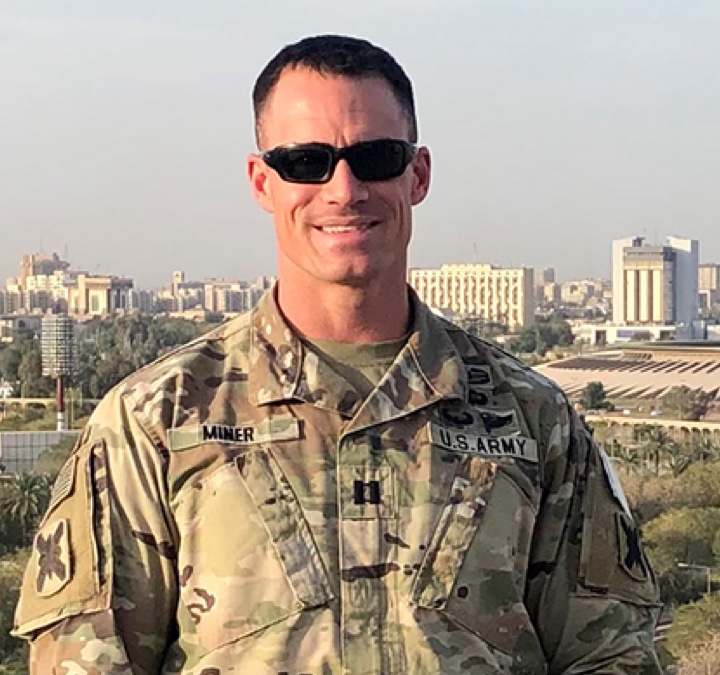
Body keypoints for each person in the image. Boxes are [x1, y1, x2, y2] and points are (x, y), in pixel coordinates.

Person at [14, 34, 662, 674]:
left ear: (419, 174)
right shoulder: (155, 421)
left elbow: (609, 651)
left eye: (375, 156)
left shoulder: (532, 418)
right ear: (262, 182)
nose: (344, 189)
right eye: (306, 161)